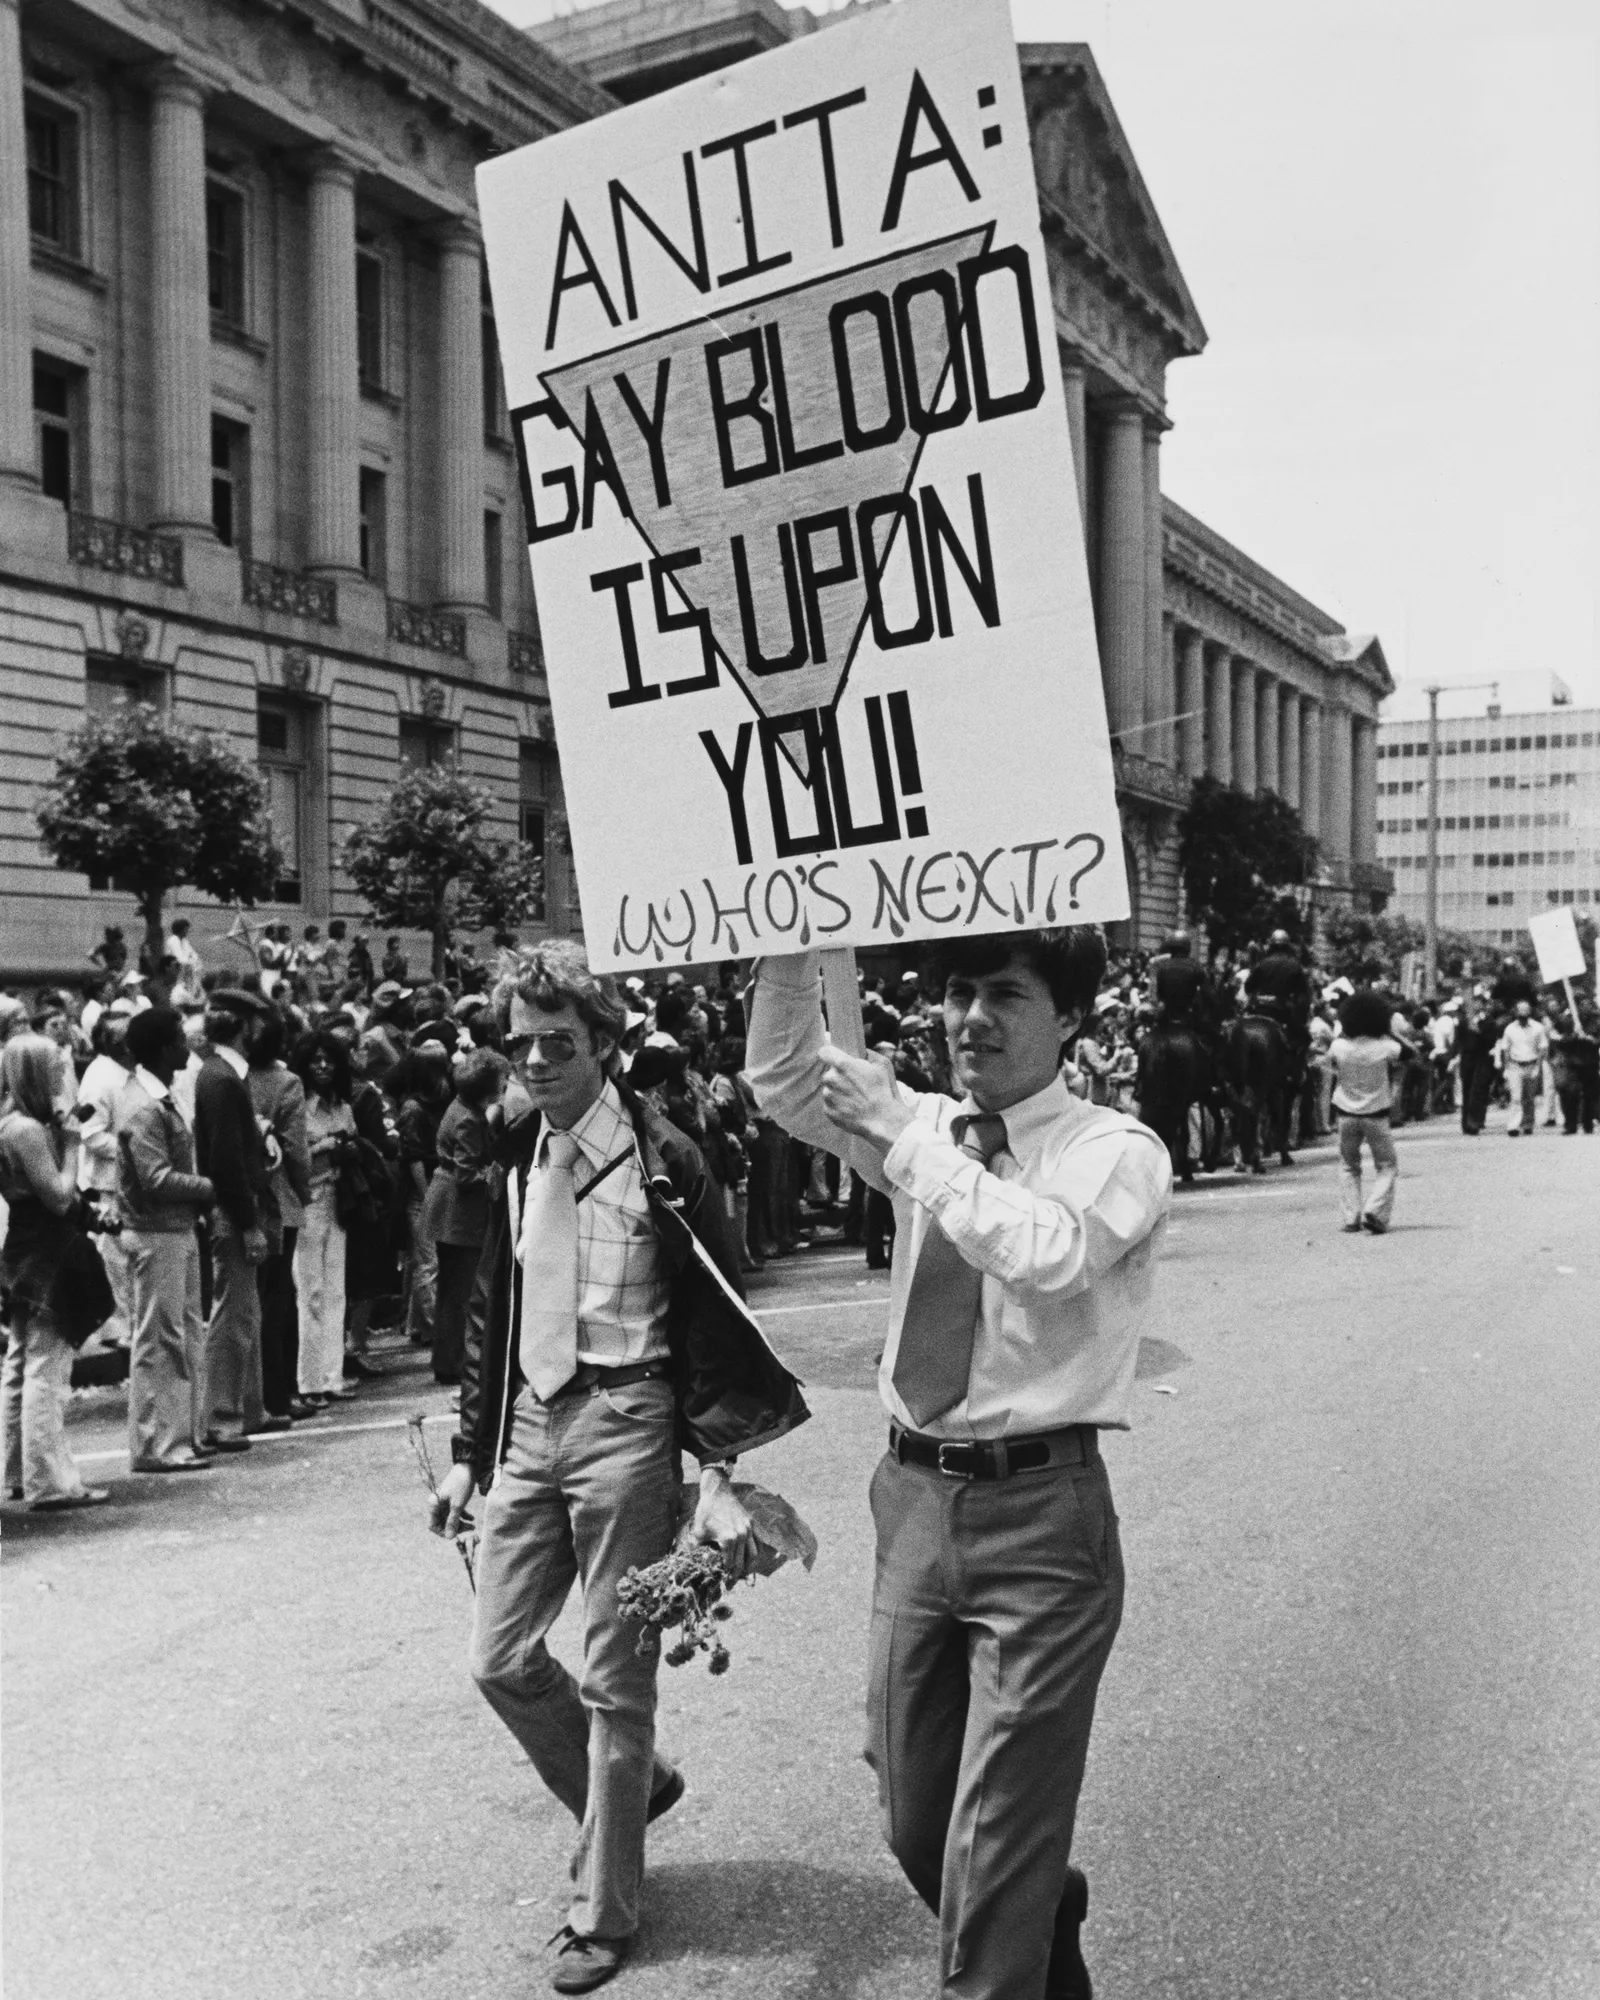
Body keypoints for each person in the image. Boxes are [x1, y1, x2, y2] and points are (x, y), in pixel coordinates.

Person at [747, 930, 1172, 2000]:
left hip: (1043, 1514)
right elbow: (783, 1082)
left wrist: (908, 1139)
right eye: (954, 993)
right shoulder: (923, 1126)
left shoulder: (1113, 1145)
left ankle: (1006, 1937)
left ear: (1068, 1016)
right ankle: (1036, 1903)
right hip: (912, 1498)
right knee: (913, 1806)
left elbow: (1050, 1250)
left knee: (990, 1850)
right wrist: (790, 940)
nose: (968, 1017)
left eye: (1003, 995)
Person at [428, 942, 806, 1995]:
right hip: (526, 1420)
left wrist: (721, 1464)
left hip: (628, 1414)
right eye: (520, 1041)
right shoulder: (512, 1148)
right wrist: (469, 1452)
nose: (536, 1059)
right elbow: (488, 1315)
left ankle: (603, 1910)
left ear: (602, 1041)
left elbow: (725, 1315)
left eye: (558, 1040)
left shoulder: (664, 1157)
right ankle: (630, 1797)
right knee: (499, 1655)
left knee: (615, 1674)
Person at [0, 1034, 112, 1508]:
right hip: (47, 1249)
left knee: (22, 1365)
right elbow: (61, 1195)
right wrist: (70, 1146)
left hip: (27, 1246)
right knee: (47, 1368)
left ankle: (17, 1473)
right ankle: (50, 1481)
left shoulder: (13, 1125)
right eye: (56, 1068)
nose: (63, 1076)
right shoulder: (25, 1130)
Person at [118, 1006, 216, 1472]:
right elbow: (156, 1178)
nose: (187, 1044)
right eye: (179, 1038)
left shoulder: (161, 1097)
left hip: (175, 1230)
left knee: (181, 1334)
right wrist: (209, 1186)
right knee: (160, 1340)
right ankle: (157, 1444)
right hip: (157, 1233)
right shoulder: (143, 1104)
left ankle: (180, 1435)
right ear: (162, 1048)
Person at [194, 990, 276, 1452]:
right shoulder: (223, 1078)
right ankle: (224, 1415)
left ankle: (247, 1408)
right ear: (244, 1027)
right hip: (232, 1209)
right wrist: (248, 1222)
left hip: (233, 1206)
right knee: (234, 1314)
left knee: (245, 1311)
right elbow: (225, 1161)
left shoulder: (220, 1074)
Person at [420, 1046, 506, 1386]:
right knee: (460, 1293)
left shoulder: (459, 1106)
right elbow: (467, 1175)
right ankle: (454, 1362)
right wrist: (496, 1173)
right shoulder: (469, 1118)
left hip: (448, 1206)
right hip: (458, 1212)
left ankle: (448, 1359)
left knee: (451, 1292)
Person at [248, 1013, 316, 1426]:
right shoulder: (286, 1082)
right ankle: (279, 1392)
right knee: (278, 1298)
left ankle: (256, 1392)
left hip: (241, 1197)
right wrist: (303, 1189)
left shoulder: (227, 1075)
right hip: (280, 1196)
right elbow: (296, 1148)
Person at [290, 1033, 358, 1406]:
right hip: (308, 1202)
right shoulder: (299, 1108)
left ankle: (333, 1376)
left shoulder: (342, 1107)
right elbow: (293, 1160)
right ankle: (309, 1381)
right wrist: (324, 1147)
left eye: (329, 1059)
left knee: (336, 1292)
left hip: (338, 1202)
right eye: (315, 1060)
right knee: (310, 1292)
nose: (322, 1066)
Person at [75, 1008, 136, 1347]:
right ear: (116, 1042)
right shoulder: (101, 1077)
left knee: (124, 1259)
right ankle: (114, 1329)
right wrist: (135, 1151)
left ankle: (126, 1324)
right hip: (106, 1185)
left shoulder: (125, 1072)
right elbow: (92, 1134)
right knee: (111, 1260)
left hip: (124, 1183)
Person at [1327, 990, 1402, 1234]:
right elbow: (1411, 1052)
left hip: (1345, 1115)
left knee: (1348, 1165)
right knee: (1387, 1166)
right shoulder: (1387, 1046)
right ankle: (1375, 1209)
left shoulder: (1338, 1046)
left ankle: (1351, 1217)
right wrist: (1388, 1031)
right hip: (1377, 1115)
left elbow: (1330, 1061)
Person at [393, 1040, 452, 1351]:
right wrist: (428, 1196)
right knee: (428, 1264)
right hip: (422, 1192)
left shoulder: (444, 1099)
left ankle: (418, 1324)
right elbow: (412, 1157)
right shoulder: (414, 1107)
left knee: (428, 1261)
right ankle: (434, 1328)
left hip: (441, 1185)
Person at [1495, 1000, 1549, 1138]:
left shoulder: (1538, 1028)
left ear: (1529, 1011)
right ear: (1516, 1012)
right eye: (1520, 1010)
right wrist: (1506, 1068)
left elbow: (1543, 1048)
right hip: (1515, 1065)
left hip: (1532, 1064)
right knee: (1516, 1097)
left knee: (1529, 1097)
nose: (1523, 1013)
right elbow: (1506, 1049)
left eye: (1525, 1010)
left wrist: (1538, 1066)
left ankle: (1528, 1124)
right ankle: (1513, 1125)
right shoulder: (1510, 1029)